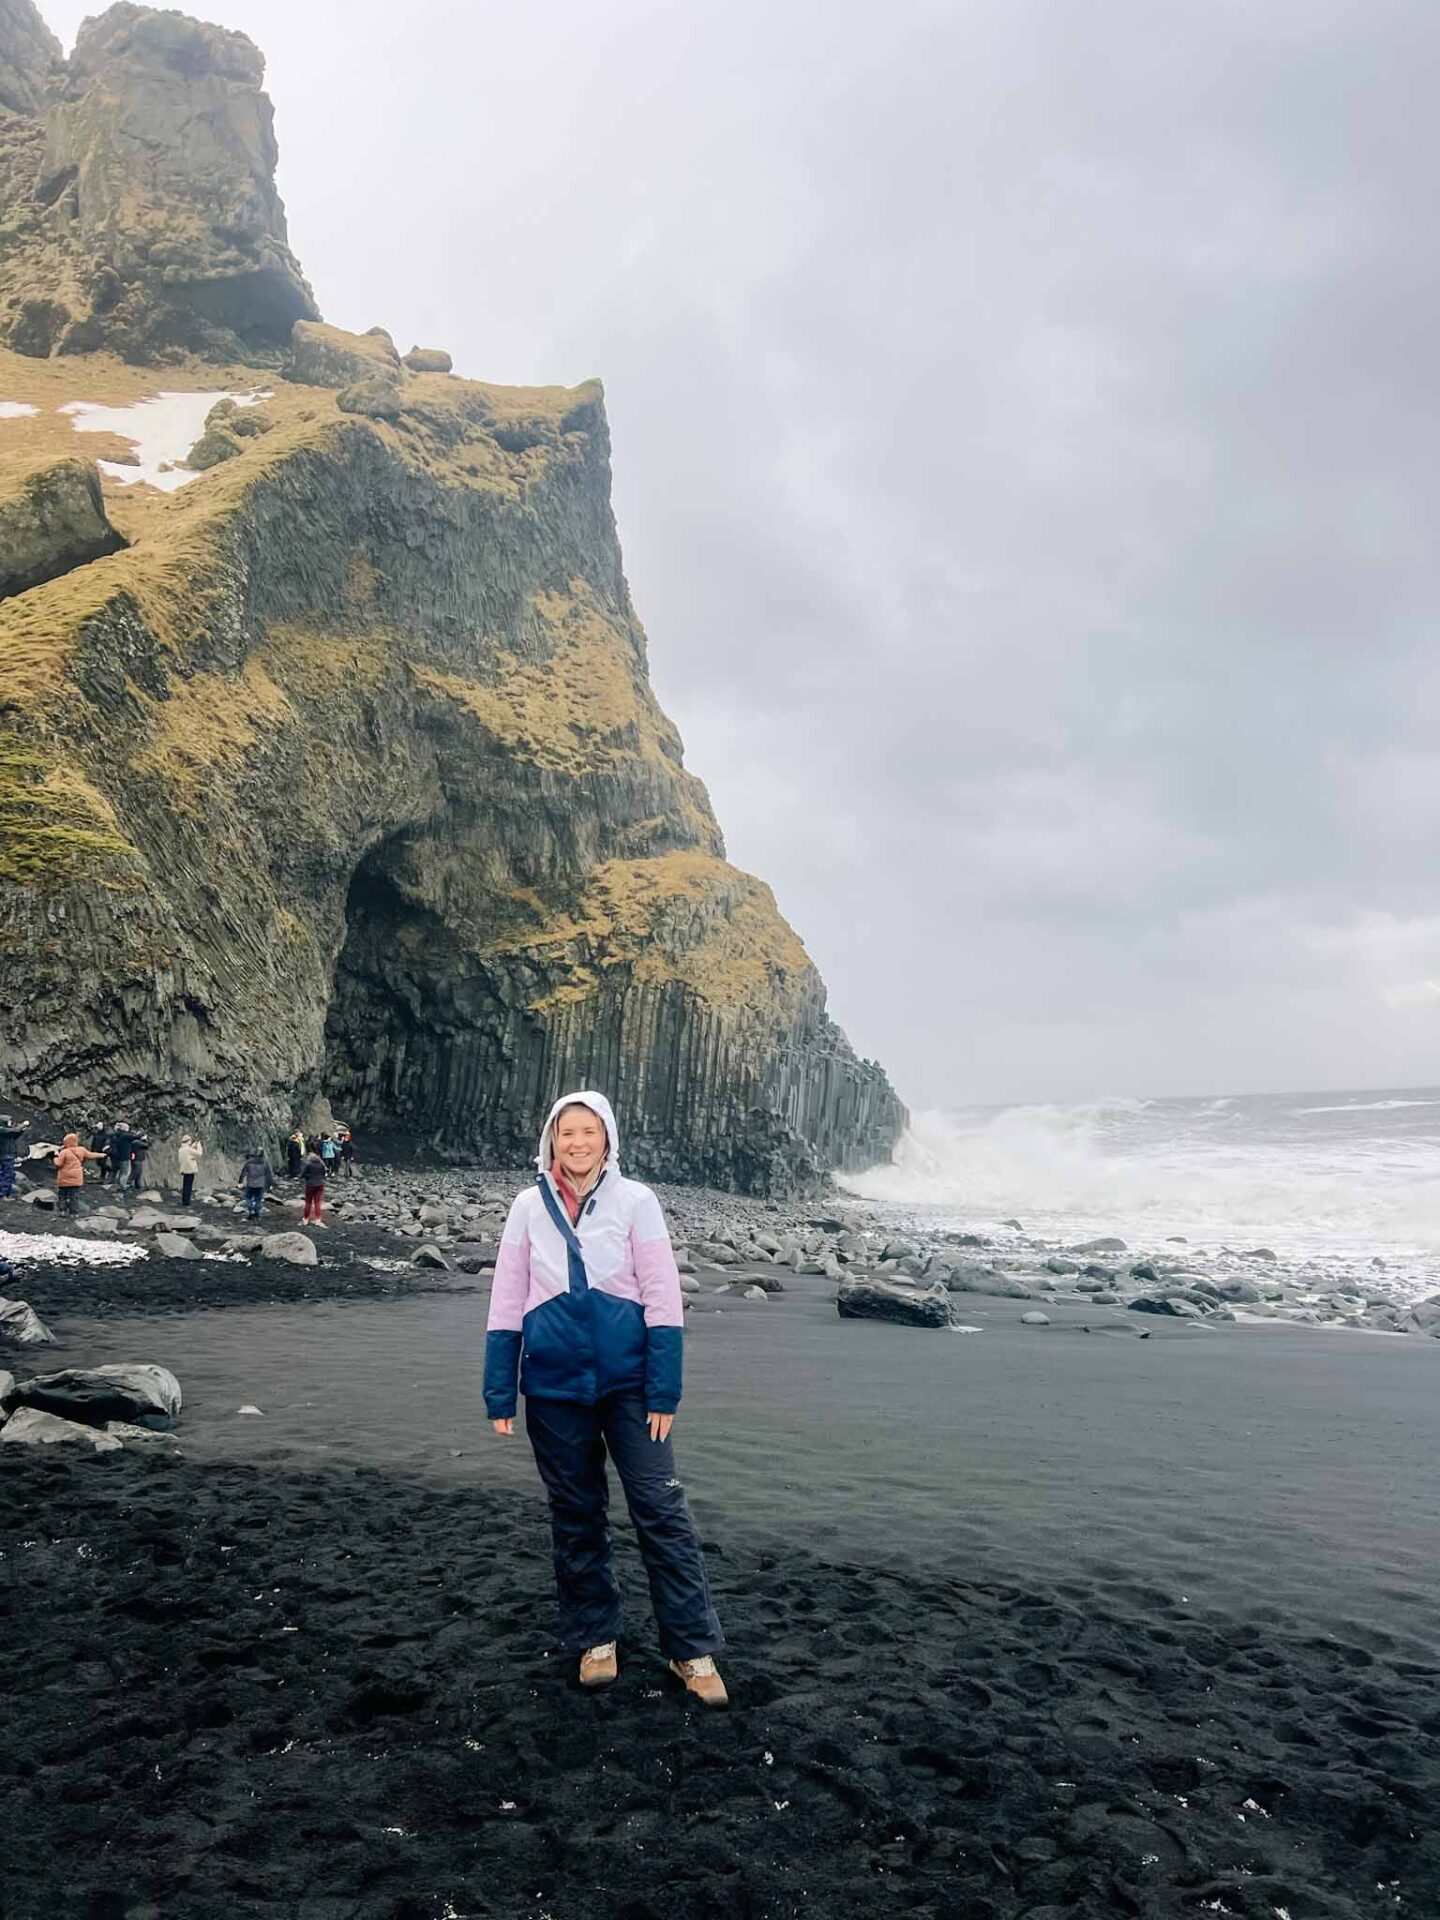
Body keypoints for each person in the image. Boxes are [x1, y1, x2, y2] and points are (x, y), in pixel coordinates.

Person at [485, 1091, 727, 1707]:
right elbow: (507, 1298)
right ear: (550, 1140)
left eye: (588, 1131)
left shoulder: (636, 1202)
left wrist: (664, 1387)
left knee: (660, 1509)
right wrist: (499, 1391)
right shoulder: (526, 1208)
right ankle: (596, 1638)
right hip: (553, 1389)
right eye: (566, 1132)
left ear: (607, 1137)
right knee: (576, 1514)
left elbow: (663, 1296)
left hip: (630, 1388)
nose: (577, 1143)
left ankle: (690, 1648)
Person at [54, 1132, 105, 1217]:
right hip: (76, 1178)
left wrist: (56, 1157)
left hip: (64, 1178)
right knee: (74, 1196)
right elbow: (91, 1155)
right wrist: (102, 1155)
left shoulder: (64, 1152)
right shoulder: (81, 1150)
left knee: (63, 1195)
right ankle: (74, 1213)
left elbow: (58, 1164)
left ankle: (62, 1211)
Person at [0, 1116, 30, 1200]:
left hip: (8, 1156)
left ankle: (6, 1194)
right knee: (6, 1175)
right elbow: (14, 1130)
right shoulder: (2, 1129)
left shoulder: (6, 1132)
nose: (10, 1124)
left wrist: (21, 1131)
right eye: (9, 1122)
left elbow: (14, 1135)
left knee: (9, 1175)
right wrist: (23, 1125)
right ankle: (3, 1195)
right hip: (4, 1156)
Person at [239, 1150, 271, 1221]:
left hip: (250, 1183)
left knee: (248, 1198)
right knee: (258, 1199)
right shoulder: (264, 1163)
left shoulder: (249, 1162)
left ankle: (250, 1211)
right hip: (260, 1184)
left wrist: (240, 1182)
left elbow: (243, 1172)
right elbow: (268, 1175)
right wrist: (269, 1185)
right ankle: (257, 1214)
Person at [300, 1146, 327, 1226]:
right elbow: (323, 1173)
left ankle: (305, 1219)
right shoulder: (321, 1165)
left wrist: (307, 1177)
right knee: (317, 1203)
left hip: (310, 1185)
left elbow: (303, 1174)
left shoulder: (309, 1165)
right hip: (320, 1184)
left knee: (308, 1202)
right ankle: (318, 1219)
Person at [178, 1134, 203, 1209]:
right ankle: (187, 1203)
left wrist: (192, 1146)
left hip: (184, 1170)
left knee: (185, 1186)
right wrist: (199, 1145)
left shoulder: (181, 1149)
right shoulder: (188, 1150)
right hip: (190, 1170)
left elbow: (189, 1151)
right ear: (188, 1141)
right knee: (188, 1187)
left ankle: (184, 1201)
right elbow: (199, 1154)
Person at [108, 1122, 133, 1188]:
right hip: (124, 1156)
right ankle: (122, 1185)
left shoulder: (114, 1135)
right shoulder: (125, 1135)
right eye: (127, 1128)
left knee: (114, 1171)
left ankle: (111, 1183)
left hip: (115, 1156)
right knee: (124, 1172)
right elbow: (135, 1137)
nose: (128, 1129)